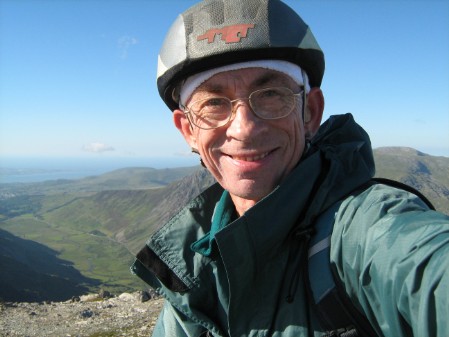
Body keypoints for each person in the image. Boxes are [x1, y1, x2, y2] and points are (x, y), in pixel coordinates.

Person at [131, 0, 449, 336]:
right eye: (213, 103)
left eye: (270, 94)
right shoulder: (196, 265)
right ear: (189, 130)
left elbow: (424, 267)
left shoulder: (364, 233)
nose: (244, 128)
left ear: (310, 112)